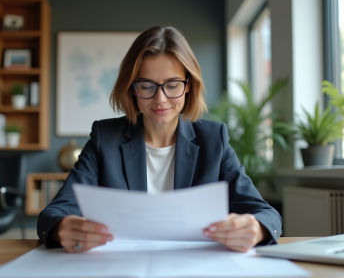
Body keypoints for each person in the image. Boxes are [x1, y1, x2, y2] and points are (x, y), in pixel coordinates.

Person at [38, 25, 282, 253]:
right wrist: (61, 228)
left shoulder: (213, 140)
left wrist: (255, 227)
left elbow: (265, 213)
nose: (161, 99)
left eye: (172, 85)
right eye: (147, 86)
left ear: (188, 85)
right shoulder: (105, 138)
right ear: (132, 88)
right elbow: (55, 211)